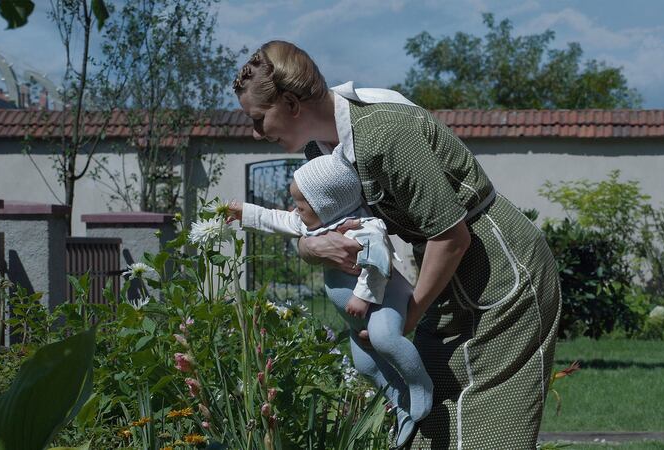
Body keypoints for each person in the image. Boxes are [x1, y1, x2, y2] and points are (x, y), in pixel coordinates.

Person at [230, 40, 562, 449]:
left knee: (485, 425)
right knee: (429, 413)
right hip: (442, 274)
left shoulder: (385, 134)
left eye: (260, 119)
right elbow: (320, 226)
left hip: (498, 267)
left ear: (291, 104)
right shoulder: (320, 150)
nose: (256, 132)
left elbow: (451, 236)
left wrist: (409, 317)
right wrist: (309, 249)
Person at [230, 151, 432, 448]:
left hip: (384, 302)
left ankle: (420, 385)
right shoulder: (316, 224)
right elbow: (278, 218)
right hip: (357, 318)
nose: (294, 211)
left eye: (301, 206)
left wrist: (362, 297)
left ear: (326, 205)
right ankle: (400, 401)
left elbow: (379, 264)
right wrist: (243, 212)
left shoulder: (365, 228)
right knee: (365, 366)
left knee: (386, 339)